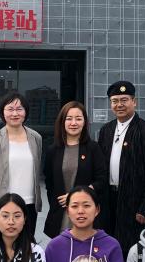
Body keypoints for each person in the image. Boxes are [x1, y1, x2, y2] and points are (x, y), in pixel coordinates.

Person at [96, 81, 145, 256]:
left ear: (134, 102)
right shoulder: (106, 130)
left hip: (134, 201)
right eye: (115, 101)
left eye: (124, 100)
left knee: (131, 249)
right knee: (106, 246)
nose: (119, 105)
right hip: (108, 199)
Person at [42, 101, 108, 238]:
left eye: (78, 119)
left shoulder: (93, 148)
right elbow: (50, 184)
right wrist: (56, 204)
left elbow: (102, 180)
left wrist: (74, 196)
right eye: (69, 119)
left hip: (86, 213)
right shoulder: (53, 150)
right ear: (62, 122)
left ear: (84, 122)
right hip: (61, 214)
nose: (73, 123)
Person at [0, 92, 43, 231]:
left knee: (27, 243)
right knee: (1, 243)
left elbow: (37, 168)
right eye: (10, 109)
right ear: (3, 112)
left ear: (25, 112)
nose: (15, 113)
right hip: (3, 204)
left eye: (19, 109)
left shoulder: (36, 138)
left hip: (29, 203)